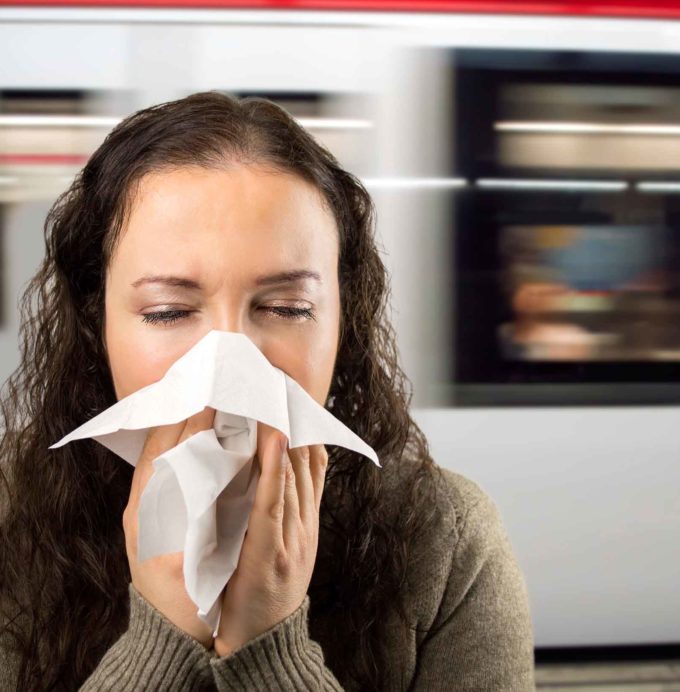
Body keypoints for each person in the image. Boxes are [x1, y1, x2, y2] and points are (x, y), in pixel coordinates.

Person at [0, 92, 534, 691]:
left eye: (286, 307)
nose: (230, 371)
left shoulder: (445, 539)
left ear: (342, 322)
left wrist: (269, 646)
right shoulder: (9, 515)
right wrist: (165, 635)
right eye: (168, 311)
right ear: (97, 323)